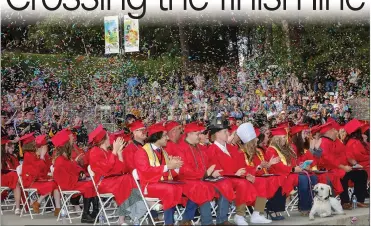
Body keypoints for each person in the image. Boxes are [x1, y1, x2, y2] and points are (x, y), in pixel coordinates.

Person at [207, 117, 271, 225]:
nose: (228, 133)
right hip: (223, 180)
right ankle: (239, 215)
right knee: (243, 184)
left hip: (236, 177)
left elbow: (242, 165)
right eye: (225, 131)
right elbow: (216, 170)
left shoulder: (232, 149)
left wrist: (249, 172)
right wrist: (235, 174)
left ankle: (256, 214)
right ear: (217, 134)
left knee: (260, 181)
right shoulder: (211, 150)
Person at [175, 122, 236, 225]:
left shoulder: (201, 148)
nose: (200, 136)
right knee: (203, 188)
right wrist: (206, 173)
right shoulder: (181, 148)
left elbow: (207, 164)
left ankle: (223, 219)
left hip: (204, 178)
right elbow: (184, 170)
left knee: (226, 183)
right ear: (189, 134)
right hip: (187, 180)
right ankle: (207, 222)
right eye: (197, 134)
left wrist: (212, 173)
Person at [88, 125, 147, 225]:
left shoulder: (109, 151)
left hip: (115, 180)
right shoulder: (95, 152)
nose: (110, 138)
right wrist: (115, 151)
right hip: (103, 183)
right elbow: (106, 169)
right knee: (126, 180)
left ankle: (135, 211)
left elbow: (122, 170)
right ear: (103, 140)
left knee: (128, 178)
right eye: (108, 136)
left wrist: (119, 153)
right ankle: (141, 208)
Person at [134, 122, 184, 225]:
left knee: (182, 186)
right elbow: (145, 172)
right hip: (148, 186)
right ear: (157, 137)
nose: (168, 138)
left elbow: (169, 174)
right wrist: (167, 167)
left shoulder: (163, 152)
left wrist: (177, 166)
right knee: (170, 189)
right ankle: (169, 222)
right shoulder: (142, 152)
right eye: (165, 135)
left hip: (161, 183)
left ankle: (176, 219)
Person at [311, 121, 367, 210]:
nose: (336, 131)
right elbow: (328, 159)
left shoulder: (336, 141)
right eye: (333, 130)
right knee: (342, 175)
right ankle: (345, 202)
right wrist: (343, 167)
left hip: (343, 167)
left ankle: (358, 199)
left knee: (362, 173)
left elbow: (346, 152)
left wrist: (354, 163)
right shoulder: (324, 142)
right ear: (328, 132)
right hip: (331, 169)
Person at [236, 123, 286, 221]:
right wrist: (259, 168)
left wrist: (268, 165)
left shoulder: (257, 151)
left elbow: (261, 167)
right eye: (255, 139)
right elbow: (246, 168)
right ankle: (253, 213)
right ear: (250, 141)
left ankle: (258, 213)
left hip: (257, 176)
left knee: (276, 179)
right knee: (262, 182)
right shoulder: (241, 152)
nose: (257, 139)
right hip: (246, 177)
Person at [51, 130, 97, 223]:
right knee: (89, 186)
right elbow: (62, 178)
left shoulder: (66, 157)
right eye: (72, 138)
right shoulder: (60, 160)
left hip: (73, 182)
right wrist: (78, 178)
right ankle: (86, 214)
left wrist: (80, 173)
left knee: (92, 184)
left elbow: (73, 168)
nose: (74, 139)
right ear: (66, 143)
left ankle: (94, 212)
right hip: (68, 185)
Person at [20, 133, 61, 216]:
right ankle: (38, 202)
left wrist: (46, 158)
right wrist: (42, 156)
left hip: (39, 179)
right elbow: (36, 171)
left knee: (56, 183)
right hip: (30, 181)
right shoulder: (28, 155)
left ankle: (58, 209)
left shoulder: (38, 155)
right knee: (52, 184)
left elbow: (47, 167)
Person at [1, 139, 22, 215]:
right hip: (2, 177)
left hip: (12, 178)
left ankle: (17, 208)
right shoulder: (1, 156)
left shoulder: (11, 157)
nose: (13, 150)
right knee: (15, 176)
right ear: (5, 146)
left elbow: (18, 167)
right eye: (11, 148)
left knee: (16, 181)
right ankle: (26, 184)